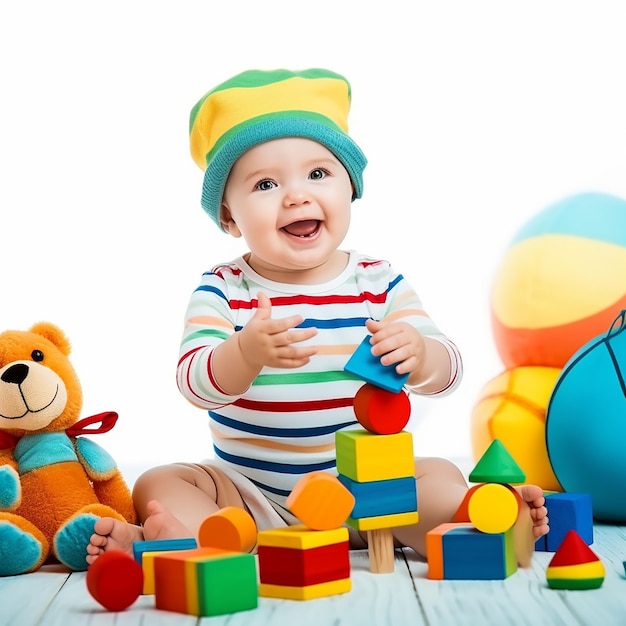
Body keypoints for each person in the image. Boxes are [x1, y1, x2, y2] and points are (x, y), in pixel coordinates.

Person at [87, 68, 548, 565]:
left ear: (350, 188)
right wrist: (244, 352)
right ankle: (202, 538)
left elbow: (448, 373)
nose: (296, 195)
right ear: (228, 214)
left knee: (436, 472)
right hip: (251, 495)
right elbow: (194, 383)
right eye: (265, 183)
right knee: (162, 481)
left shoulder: (378, 281)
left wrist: (421, 355)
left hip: (364, 492)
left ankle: (484, 516)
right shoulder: (223, 287)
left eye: (318, 174)